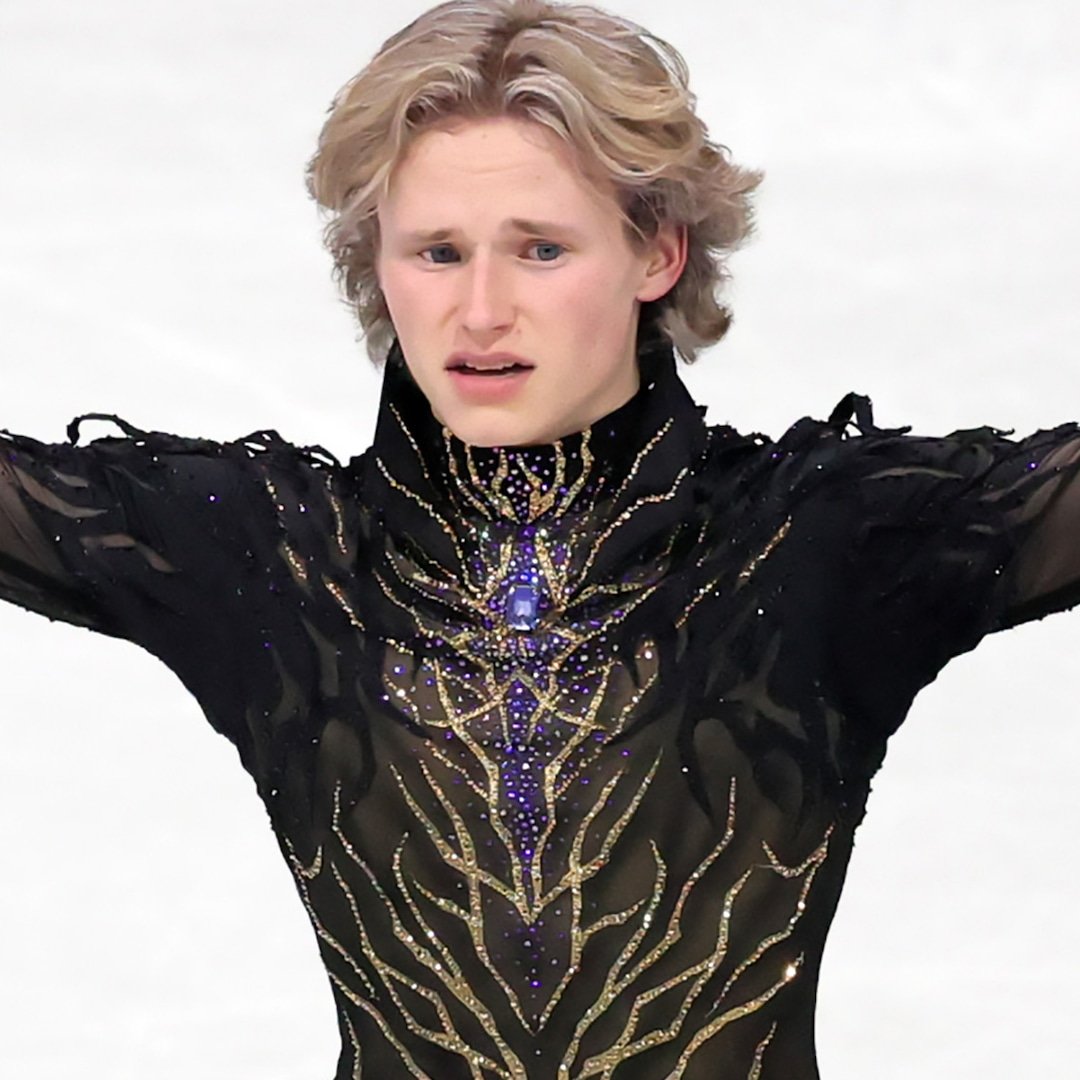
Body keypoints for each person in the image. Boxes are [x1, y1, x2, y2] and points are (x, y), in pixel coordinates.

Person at [1, 1, 1078, 1077]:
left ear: (658, 252)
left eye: (542, 250)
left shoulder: (814, 543)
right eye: (437, 251)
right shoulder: (278, 555)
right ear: (377, 263)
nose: (480, 312)